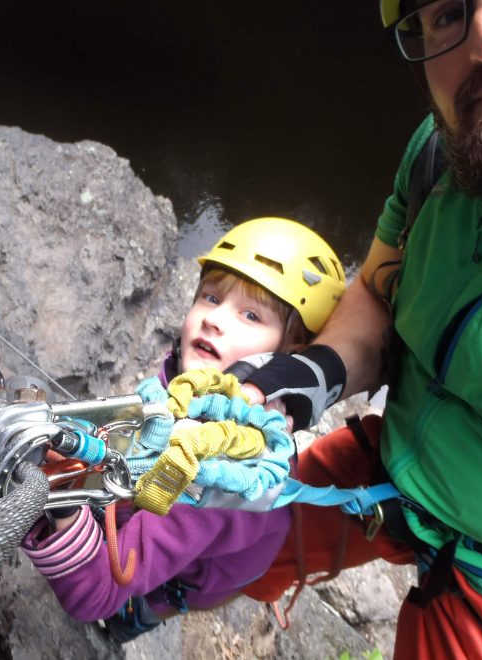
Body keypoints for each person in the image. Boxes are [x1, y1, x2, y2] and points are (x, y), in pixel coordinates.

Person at [233, 2, 482, 658]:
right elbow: (381, 288)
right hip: (406, 457)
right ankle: (141, 595)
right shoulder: (445, 151)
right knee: (215, 533)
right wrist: (308, 376)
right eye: (446, 13)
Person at [19, 217, 346, 642]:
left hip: (203, 571)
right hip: (210, 533)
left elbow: (94, 594)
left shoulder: (222, 476)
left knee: (154, 601)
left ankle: (137, 619)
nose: (214, 320)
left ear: (287, 360)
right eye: (211, 297)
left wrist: (60, 503)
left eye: (250, 314)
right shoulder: (187, 381)